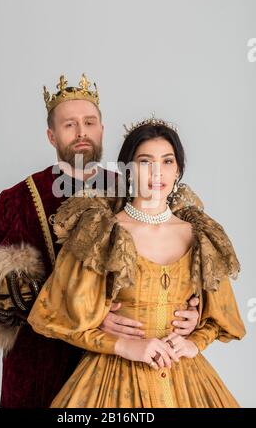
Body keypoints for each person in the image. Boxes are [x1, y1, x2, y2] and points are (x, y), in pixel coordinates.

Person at [0, 76, 200, 408]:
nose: (81, 132)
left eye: (89, 122)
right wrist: (89, 314)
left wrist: (192, 311)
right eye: (69, 124)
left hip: (122, 365)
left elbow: (177, 260)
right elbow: (2, 300)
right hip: (42, 363)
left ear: (102, 129)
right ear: (51, 135)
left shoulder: (137, 188)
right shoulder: (15, 201)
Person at [28, 116, 246, 408]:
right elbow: (54, 314)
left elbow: (220, 316)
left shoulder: (199, 235)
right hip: (113, 377)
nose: (158, 172)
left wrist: (195, 340)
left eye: (168, 161)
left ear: (178, 169)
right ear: (127, 171)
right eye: (146, 161)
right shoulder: (100, 233)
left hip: (185, 378)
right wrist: (122, 344)